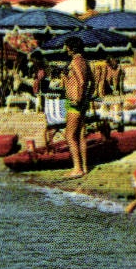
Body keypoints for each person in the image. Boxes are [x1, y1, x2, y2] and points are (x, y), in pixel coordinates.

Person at [61, 36, 93, 178]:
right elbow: (92, 82)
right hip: (82, 102)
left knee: (69, 135)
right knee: (80, 135)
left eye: (66, 47)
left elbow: (81, 81)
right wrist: (86, 97)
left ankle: (77, 168)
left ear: (71, 48)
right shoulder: (85, 62)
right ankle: (84, 167)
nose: (65, 49)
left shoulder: (75, 62)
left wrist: (78, 99)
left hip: (75, 102)